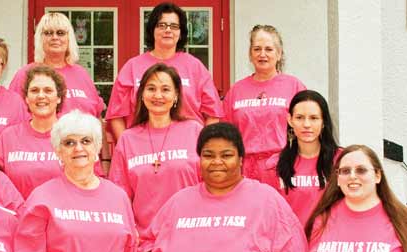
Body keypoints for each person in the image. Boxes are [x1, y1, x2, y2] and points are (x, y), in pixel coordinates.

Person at [122, 122, 307, 252]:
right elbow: (152, 246)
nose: (216, 161)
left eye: (226, 155)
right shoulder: (178, 203)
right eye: (208, 155)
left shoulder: (268, 202)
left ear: (241, 160)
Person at [15, 110, 137, 252]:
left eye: (86, 141)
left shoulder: (119, 197)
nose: (78, 148)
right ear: (58, 151)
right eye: (69, 142)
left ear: (97, 147)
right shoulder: (41, 197)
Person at [109, 63, 202, 238]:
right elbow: (119, 195)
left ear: (176, 96)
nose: (158, 95)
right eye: (151, 88)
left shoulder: (194, 131)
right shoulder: (128, 139)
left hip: (189, 233)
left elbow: (209, 185)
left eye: (165, 89)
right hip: (143, 237)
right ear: (142, 95)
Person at [106, 2, 223, 141]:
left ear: (180, 33)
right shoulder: (132, 67)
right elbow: (116, 115)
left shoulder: (195, 67)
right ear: (152, 30)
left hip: (187, 148)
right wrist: (128, 149)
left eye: (174, 26)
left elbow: (213, 114)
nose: (168, 30)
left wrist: (202, 147)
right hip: (143, 147)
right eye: (162, 25)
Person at [223, 24, 306, 184]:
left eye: (268, 49)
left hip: (282, 167)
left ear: (279, 53)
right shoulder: (236, 90)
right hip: (243, 170)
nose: (262, 54)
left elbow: (307, 127)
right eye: (257, 49)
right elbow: (225, 135)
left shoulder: (293, 86)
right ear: (250, 54)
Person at [9, 12, 104, 117]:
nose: (54, 37)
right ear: (40, 39)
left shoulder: (81, 74)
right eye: (48, 33)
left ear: (69, 38)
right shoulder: (25, 74)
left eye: (60, 33)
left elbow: (97, 115)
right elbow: (12, 115)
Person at [268, 90, 340, 226]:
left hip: (329, 243)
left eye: (313, 118)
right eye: (300, 118)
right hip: (291, 243)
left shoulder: (342, 161)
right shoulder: (274, 165)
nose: (306, 124)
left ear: (323, 121)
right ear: (290, 120)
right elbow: (270, 215)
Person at [0, 65, 65, 199]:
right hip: (18, 215)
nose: (41, 96)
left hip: (60, 216)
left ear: (59, 97)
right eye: (34, 90)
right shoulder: (8, 137)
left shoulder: (72, 136)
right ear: (26, 98)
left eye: (48, 90)